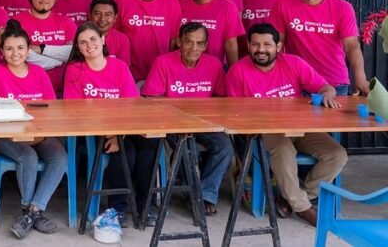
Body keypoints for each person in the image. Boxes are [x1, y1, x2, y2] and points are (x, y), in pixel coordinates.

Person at [220, 23, 346, 226]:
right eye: (255, 44)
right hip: (265, 130)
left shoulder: (294, 63)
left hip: (300, 127)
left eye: (267, 45)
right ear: (248, 46)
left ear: (278, 46)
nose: (261, 50)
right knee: (285, 152)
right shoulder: (237, 72)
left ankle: (294, 198)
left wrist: (327, 95)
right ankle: (303, 208)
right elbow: (235, 114)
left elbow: (325, 86)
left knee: (337, 154)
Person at [63, 23, 155, 226]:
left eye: (93, 39)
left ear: (103, 40)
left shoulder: (119, 67)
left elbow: (131, 105)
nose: (89, 45)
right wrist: (112, 134)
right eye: (83, 42)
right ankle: (117, 208)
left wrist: (118, 134)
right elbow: (76, 111)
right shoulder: (74, 70)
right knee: (125, 152)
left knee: (150, 148)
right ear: (77, 47)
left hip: (124, 126)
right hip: (94, 130)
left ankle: (145, 206)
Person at [0, 21, 66, 239]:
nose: (15, 53)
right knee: (28, 157)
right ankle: (29, 209)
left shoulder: (39, 73)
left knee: (60, 157)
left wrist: (38, 134)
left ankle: (33, 211)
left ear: (28, 49)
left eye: (20, 48)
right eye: (9, 48)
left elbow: (51, 109)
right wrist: (16, 135)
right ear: (2, 52)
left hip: (39, 133)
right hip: (6, 136)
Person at [141, 23, 232, 215]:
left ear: (206, 45)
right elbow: (150, 99)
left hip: (204, 124)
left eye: (200, 43)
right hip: (172, 124)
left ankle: (205, 194)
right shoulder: (163, 62)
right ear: (179, 42)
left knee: (225, 147)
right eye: (189, 42)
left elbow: (222, 99)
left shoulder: (214, 64)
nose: (193, 48)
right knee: (188, 148)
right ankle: (193, 196)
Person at [270, 0, 367, 95]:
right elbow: (277, 44)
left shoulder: (342, 8)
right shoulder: (282, 5)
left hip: (334, 82)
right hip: (296, 82)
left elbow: (352, 46)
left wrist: (360, 76)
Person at [115, 0, 183, 81]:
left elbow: (173, 40)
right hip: (129, 73)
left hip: (160, 73)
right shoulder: (121, 1)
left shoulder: (172, 3)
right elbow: (115, 37)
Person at [15, 0, 76, 93]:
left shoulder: (66, 22)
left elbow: (75, 54)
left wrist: (40, 49)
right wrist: (61, 58)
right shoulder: (17, 22)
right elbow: (23, 56)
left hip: (63, 91)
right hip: (29, 91)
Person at [178, 0, 244, 65]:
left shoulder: (228, 7)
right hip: (184, 66)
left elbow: (231, 44)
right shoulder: (180, 6)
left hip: (215, 68)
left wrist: (233, 71)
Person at [90, 0, 131, 66]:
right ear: (90, 16)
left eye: (108, 15)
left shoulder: (121, 39)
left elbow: (122, 69)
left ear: (115, 18)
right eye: (98, 14)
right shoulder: (81, 37)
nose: (102, 19)